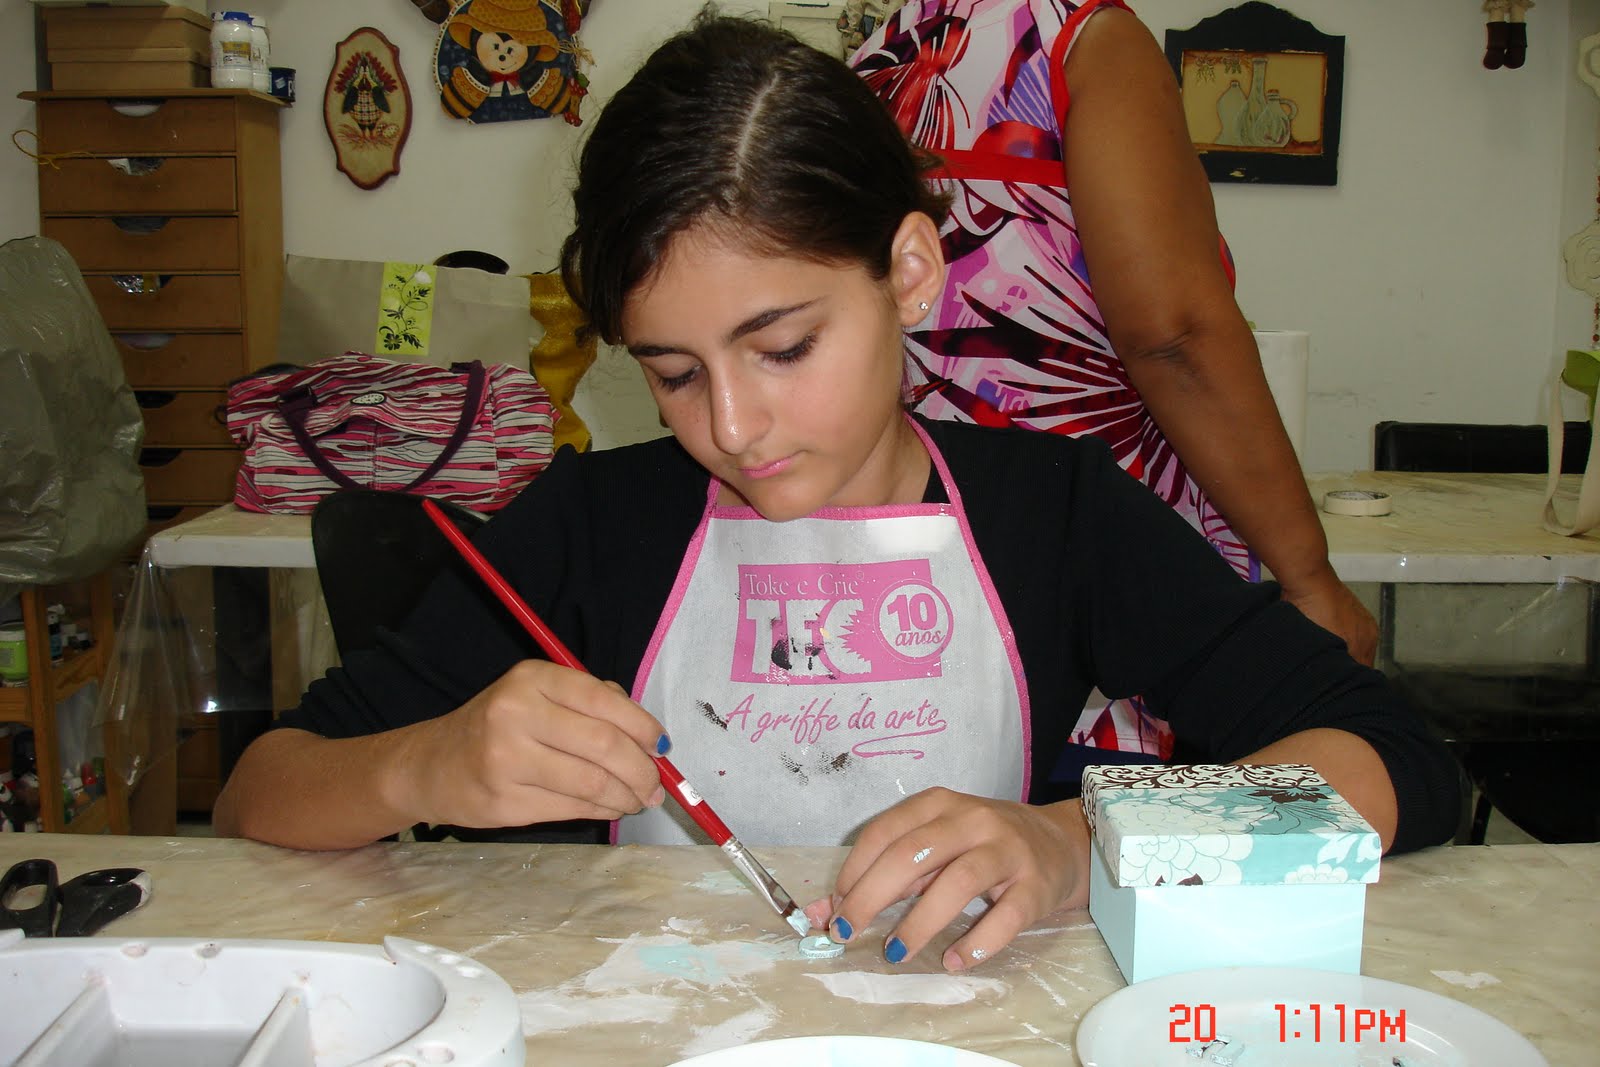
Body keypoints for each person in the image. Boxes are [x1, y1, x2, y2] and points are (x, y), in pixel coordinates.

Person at [214, 11, 1460, 973]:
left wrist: (1074, 838)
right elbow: (261, 785)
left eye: (784, 346)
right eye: (672, 372)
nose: (732, 425)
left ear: (909, 273)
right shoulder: (592, 524)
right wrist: (424, 766)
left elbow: (1395, 759)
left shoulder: (1055, 512)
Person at [848, 1, 1378, 763]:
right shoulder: (1083, 42)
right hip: (1100, 585)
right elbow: (1173, 337)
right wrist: (1309, 578)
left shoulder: (881, 64)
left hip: (920, 579)